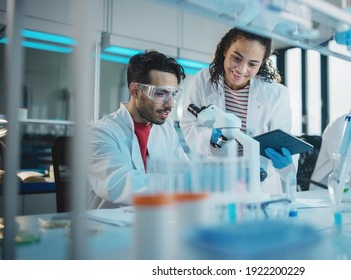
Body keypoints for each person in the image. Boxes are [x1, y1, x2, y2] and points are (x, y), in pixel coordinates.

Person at [180, 28, 297, 195]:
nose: (241, 70)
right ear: (226, 50)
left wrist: (285, 164)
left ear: (261, 63)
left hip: (261, 185)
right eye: (236, 58)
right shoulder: (202, 81)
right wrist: (211, 139)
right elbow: (190, 125)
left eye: (252, 64)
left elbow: (283, 139)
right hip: (217, 181)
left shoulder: (276, 94)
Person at [87, 50, 188, 209]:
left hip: (155, 222)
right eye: (161, 93)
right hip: (109, 227)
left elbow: (185, 170)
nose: (171, 104)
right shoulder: (101, 133)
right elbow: (119, 184)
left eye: (173, 94)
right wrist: (182, 182)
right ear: (135, 91)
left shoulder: (166, 129)